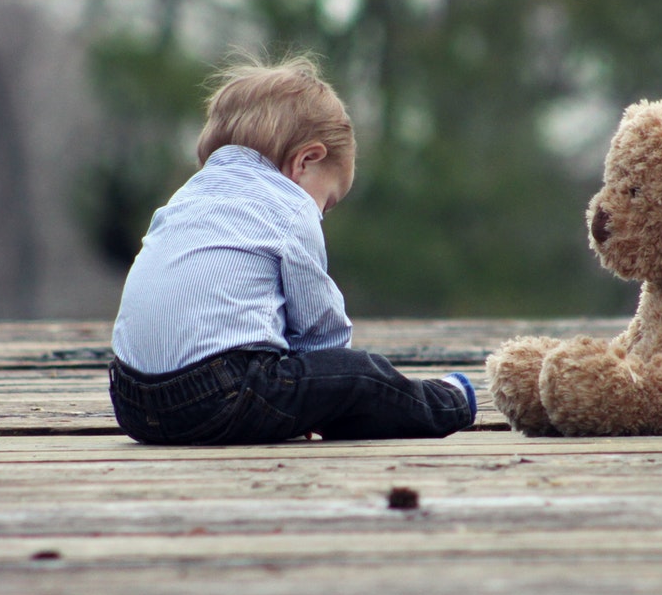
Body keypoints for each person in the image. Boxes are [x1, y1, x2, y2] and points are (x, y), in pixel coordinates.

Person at [108, 53, 477, 445]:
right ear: (306, 160)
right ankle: (449, 401)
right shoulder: (289, 205)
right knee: (362, 376)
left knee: (306, 381)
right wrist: (330, 388)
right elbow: (321, 331)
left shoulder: (186, 197)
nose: (321, 214)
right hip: (218, 397)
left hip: (131, 402)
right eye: (328, 202)